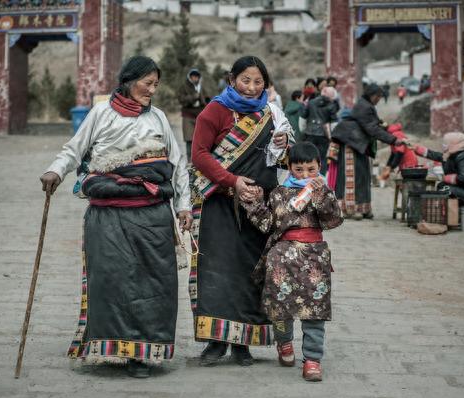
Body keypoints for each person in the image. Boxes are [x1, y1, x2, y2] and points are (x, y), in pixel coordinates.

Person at [40, 56, 192, 379]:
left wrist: (183, 207)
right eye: (147, 83)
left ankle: (142, 353)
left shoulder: (160, 119)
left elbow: (177, 166)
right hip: (108, 218)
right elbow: (74, 150)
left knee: (153, 285)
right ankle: (112, 347)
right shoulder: (101, 114)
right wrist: (55, 171)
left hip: (152, 218)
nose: (152, 90)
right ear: (127, 80)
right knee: (112, 282)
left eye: (155, 85)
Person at [190, 55, 292, 367]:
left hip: (258, 209)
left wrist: (285, 144)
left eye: (258, 81)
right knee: (217, 272)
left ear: (266, 84)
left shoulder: (272, 114)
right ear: (232, 79)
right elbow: (199, 155)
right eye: (245, 80)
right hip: (220, 204)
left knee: (250, 273)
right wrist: (232, 181)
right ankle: (216, 342)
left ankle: (243, 343)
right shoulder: (215, 110)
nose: (251, 87)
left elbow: (284, 160)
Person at [241, 142, 343, 381]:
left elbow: (333, 221)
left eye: (311, 169)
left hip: (315, 258)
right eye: (299, 169)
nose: (305, 174)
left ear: (319, 166)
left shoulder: (324, 191)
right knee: (280, 308)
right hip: (282, 259)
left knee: (315, 311)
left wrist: (319, 196)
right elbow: (267, 224)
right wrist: (255, 203)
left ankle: (312, 360)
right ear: (289, 167)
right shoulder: (278, 193)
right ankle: (284, 343)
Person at [327, 83, 403, 220]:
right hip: (350, 141)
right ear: (372, 95)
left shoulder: (366, 105)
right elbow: (372, 129)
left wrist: (384, 126)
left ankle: (363, 208)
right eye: (378, 96)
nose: (379, 99)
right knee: (352, 176)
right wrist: (393, 140)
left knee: (362, 175)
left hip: (358, 143)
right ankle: (349, 209)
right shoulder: (364, 107)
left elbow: (373, 124)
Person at [412, 132, 464, 207]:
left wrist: (445, 178)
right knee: (441, 186)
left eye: (446, 143)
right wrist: (417, 149)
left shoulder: (463, 158)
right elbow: (436, 155)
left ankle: (442, 212)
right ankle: (446, 213)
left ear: (454, 145)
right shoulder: (452, 156)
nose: (444, 145)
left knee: (444, 188)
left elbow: (463, 178)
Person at [300, 86, 339, 175]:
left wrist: (303, 130)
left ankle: (308, 177)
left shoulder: (311, 102)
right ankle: (321, 178)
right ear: (332, 96)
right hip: (324, 135)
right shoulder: (331, 105)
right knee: (323, 158)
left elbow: (303, 117)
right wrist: (333, 136)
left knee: (309, 156)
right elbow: (334, 123)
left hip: (309, 134)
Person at [178, 68, 209, 163]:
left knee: (201, 139)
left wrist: (206, 101)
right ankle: (190, 161)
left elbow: (207, 98)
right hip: (188, 115)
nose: (195, 78)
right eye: (193, 76)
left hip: (199, 116)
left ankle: (199, 161)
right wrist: (193, 97)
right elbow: (181, 99)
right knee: (189, 139)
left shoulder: (201, 87)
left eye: (196, 76)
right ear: (190, 77)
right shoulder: (184, 87)